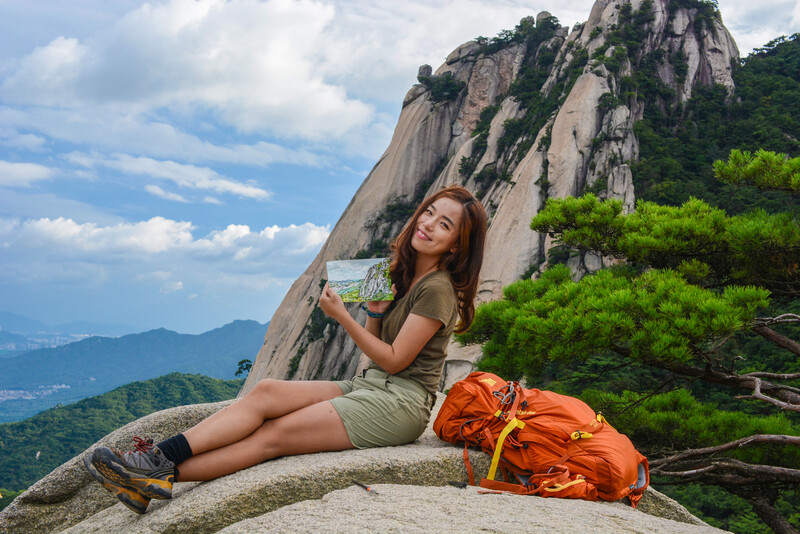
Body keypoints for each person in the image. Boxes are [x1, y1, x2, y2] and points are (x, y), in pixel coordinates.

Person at [84, 185, 487, 514]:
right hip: (372, 385)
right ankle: (155, 460)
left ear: (456, 245)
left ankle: (157, 473)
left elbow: (397, 361)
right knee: (266, 392)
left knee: (273, 434)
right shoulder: (399, 276)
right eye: (429, 212)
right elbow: (377, 357)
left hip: (401, 404)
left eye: (445, 223)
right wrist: (374, 312)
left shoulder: (437, 290)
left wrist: (343, 318)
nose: (429, 223)